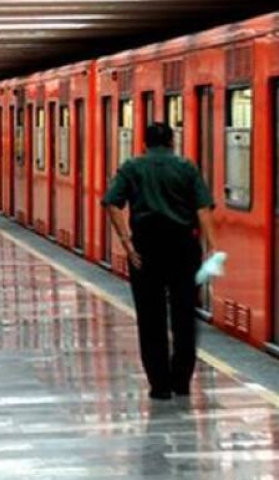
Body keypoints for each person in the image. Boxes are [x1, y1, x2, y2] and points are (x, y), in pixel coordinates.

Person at [102, 123, 215, 400]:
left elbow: (111, 203)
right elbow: (202, 209)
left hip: (146, 248)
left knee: (150, 317)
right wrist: (210, 246)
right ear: (172, 142)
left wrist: (126, 242)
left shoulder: (132, 167)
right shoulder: (187, 168)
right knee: (184, 315)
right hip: (183, 248)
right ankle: (182, 382)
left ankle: (160, 385)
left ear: (144, 143)